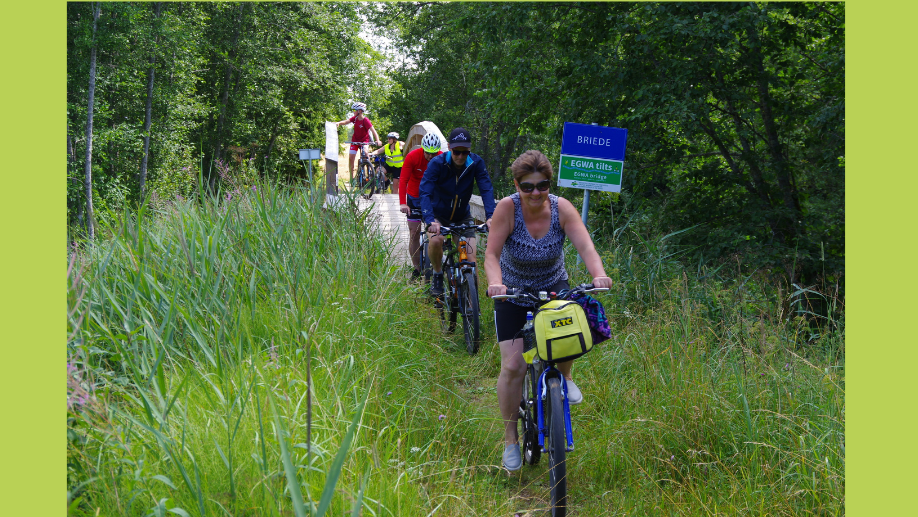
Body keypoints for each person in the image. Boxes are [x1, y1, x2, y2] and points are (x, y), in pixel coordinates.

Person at [483, 150, 613, 472]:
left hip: (553, 287)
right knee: (514, 365)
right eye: (527, 186)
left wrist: (598, 274)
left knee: (567, 337)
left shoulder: (561, 208)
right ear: (517, 185)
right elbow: (491, 255)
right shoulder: (507, 209)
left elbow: (586, 247)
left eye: (542, 185)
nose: (536, 193)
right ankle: (511, 439)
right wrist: (496, 283)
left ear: (549, 184)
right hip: (513, 292)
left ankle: (565, 377)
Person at [419, 127, 497, 297]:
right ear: (449, 147)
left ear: (470, 149)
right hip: (438, 216)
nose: (461, 156)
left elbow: (486, 189)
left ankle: (472, 305)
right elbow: (425, 192)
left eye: (465, 152)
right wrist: (430, 219)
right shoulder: (437, 163)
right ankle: (438, 274)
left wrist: (491, 216)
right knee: (436, 240)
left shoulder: (476, 163)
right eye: (456, 152)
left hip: (462, 216)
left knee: (470, 259)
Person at [399, 133, 444, 280]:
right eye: (427, 153)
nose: (430, 156)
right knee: (414, 233)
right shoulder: (413, 156)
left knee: (438, 231)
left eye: (433, 153)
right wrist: (403, 203)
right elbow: (403, 180)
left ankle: (438, 264)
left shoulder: (442, 158)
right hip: (415, 197)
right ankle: (416, 269)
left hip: (433, 198)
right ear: (423, 148)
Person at [334, 102, 382, 179]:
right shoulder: (355, 118)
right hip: (355, 141)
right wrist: (339, 123)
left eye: (354, 110)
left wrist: (378, 140)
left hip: (364, 141)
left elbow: (373, 131)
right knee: (351, 158)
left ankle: (369, 172)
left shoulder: (365, 120)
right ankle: (351, 178)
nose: (353, 112)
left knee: (366, 153)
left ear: (359, 111)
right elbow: (346, 121)